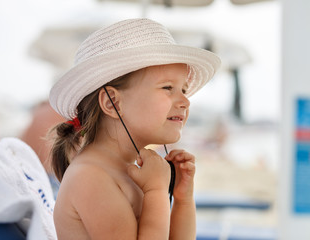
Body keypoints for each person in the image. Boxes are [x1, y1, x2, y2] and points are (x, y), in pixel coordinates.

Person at [48, 18, 220, 239]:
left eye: (184, 90)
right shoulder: (90, 177)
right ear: (112, 103)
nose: (185, 102)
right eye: (168, 87)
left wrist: (182, 198)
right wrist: (156, 191)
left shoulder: (130, 171)